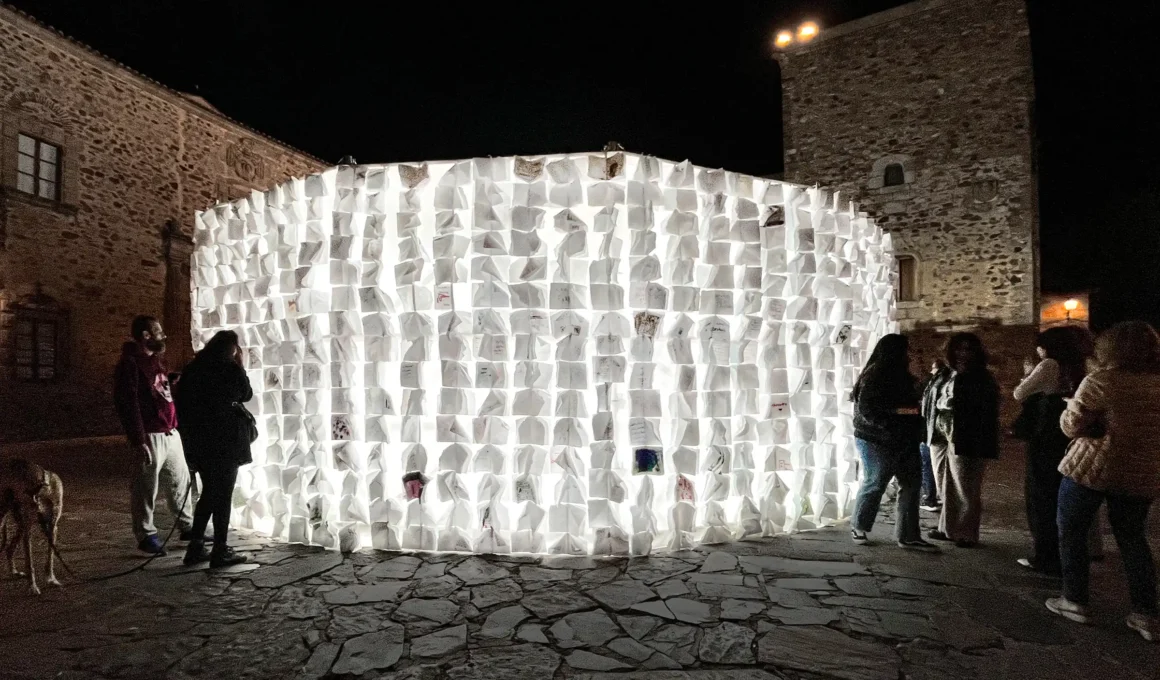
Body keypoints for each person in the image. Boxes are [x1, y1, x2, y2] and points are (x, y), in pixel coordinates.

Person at [1046, 321, 1160, 642]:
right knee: (1133, 539)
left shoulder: (1102, 380)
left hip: (1093, 466)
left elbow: (1071, 426)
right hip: (1140, 470)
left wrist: (1070, 408)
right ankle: (1146, 614)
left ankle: (1075, 599)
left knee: (1071, 529)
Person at [113, 315, 194, 554]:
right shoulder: (129, 365)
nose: (164, 335)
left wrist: (170, 380)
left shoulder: (157, 361)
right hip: (149, 434)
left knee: (181, 480)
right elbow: (128, 403)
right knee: (145, 486)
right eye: (159, 332)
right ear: (146, 336)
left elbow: (155, 387)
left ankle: (187, 525)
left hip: (170, 431)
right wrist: (139, 440)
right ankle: (146, 535)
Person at [1012, 327, 1091, 575]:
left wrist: (1027, 374)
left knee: (1040, 493)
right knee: (1060, 491)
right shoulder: (1081, 365)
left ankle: (1045, 555)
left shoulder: (1049, 365)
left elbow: (1019, 393)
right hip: (1068, 433)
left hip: (1046, 433)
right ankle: (1067, 551)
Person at [850, 334, 938, 551]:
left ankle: (908, 535)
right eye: (908, 350)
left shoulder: (903, 374)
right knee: (876, 481)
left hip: (903, 437)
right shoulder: (875, 375)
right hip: (877, 439)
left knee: (910, 484)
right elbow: (868, 410)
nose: (911, 354)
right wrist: (894, 420)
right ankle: (859, 525)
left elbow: (911, 403)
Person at [174, 330, 253, 568]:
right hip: (226, 441)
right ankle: (220, 548)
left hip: (200, 441)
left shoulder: (193, 369)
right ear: (231, 349)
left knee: (209, 492)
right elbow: (246, 394)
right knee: (223, 495)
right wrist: (239, 365)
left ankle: (196, 546)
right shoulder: (229, 369)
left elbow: (183, 405)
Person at [927, 333, 999, 548]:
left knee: (965, 486)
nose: (962, 353)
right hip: (940, 434)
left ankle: (966, 533)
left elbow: (983, 409)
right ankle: (947, 528)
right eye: (958, 348)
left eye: (968, 349)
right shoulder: (945, 372)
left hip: (967, 436)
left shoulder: (981, 377)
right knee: (943, 484)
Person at [919, 359, 952, 511]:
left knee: (939, 472)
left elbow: (942, 403)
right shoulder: (940, 377)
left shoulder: (941, 378)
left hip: (939, 432)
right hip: (937, 431)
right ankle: (947, 521)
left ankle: (932, 499)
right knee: (941, 473)